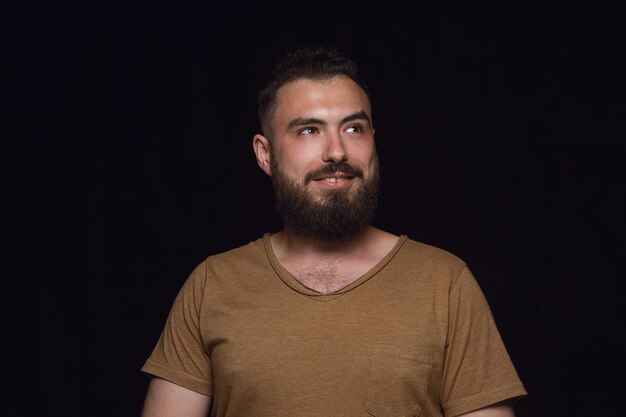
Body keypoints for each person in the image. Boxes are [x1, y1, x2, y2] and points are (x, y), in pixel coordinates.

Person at [140, 45, 527, 417]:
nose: (337, 152)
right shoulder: (212, 285)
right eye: (309, 130)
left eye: (354, 128)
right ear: (265, 153)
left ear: (374, 140)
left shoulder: (445, 283)